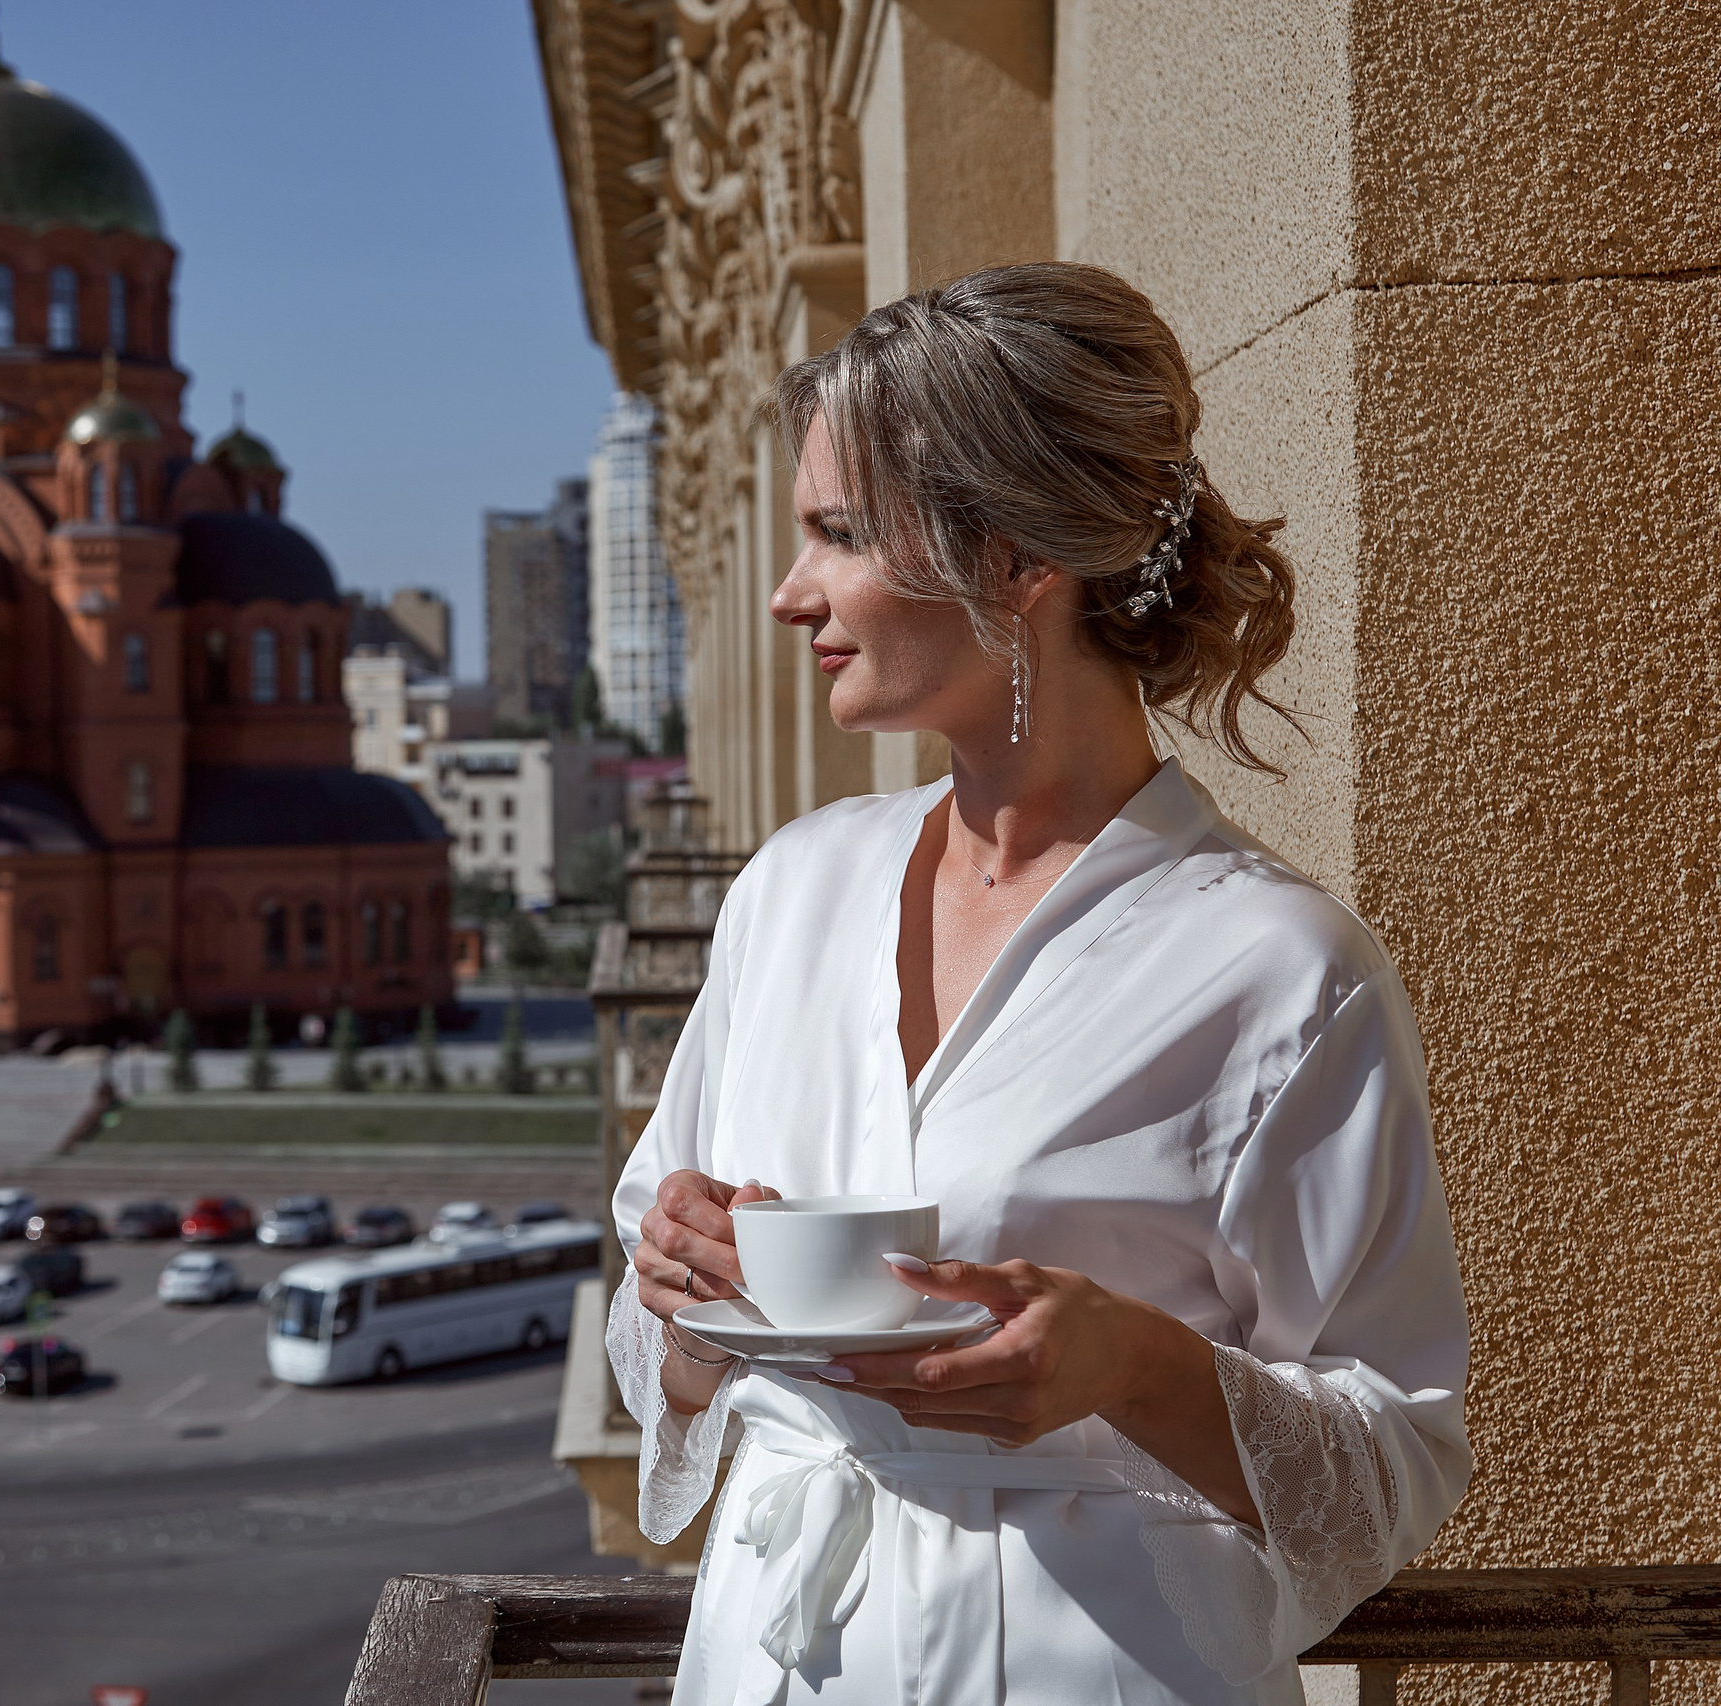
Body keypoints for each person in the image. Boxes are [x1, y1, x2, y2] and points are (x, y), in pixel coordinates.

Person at [615, 263, 1471, 1706]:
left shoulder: (1274, 967)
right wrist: (684, 1292)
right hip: (777, 1651)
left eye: (835, 534)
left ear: (1016, 559)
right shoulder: (790, 893)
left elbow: (1394, 1464)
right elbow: (657, 1340)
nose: (788, 591)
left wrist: (1128, 1365)